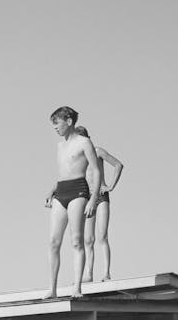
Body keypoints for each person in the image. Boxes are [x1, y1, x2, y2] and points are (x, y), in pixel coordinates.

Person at [44, 107, 102, 299]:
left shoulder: (85, 142)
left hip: (79, 190)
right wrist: (53, 189)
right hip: (61, 190)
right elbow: (64, 171)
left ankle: (77, 287)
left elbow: (95, 170)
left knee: (76, 240)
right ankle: (52, 289)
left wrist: (93, 198)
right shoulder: (60, 146)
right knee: (53, 241)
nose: (55, 128)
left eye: (57, 123)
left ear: (69, 121)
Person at [73, 126, 125, 283]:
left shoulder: (97, 151)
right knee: (88, 239)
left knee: (102, 235)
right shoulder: (79, 157)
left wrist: (110, 186)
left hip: (101, 196)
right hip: (88, 197)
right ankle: (88, 274)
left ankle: (106, 272)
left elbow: (118, 165)